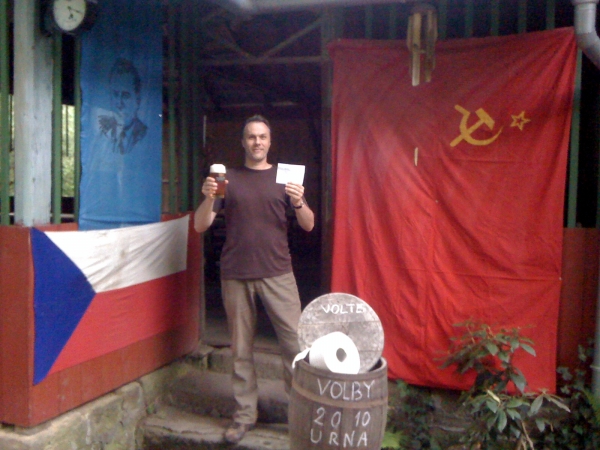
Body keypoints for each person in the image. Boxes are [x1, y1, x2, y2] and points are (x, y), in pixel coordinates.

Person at [194, 115, 315, 444]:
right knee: (241, 349)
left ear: (270, 142)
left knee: (295, 346)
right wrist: (209, 196)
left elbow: (308, 224)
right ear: (243, 142)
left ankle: (299, 415)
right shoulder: (227, 179)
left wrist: (298, 201)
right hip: (236, 273)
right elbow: (200, 225)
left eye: (262, 136)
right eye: (251, 137)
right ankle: (244, 415)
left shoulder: (285, 177)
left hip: (278, 272)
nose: (257, 142)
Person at [97, 58, 147, 155]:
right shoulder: (103, 136)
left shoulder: (146, 137)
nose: (119, 104)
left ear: (138, 100)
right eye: (115, 94)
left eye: (125, 96)